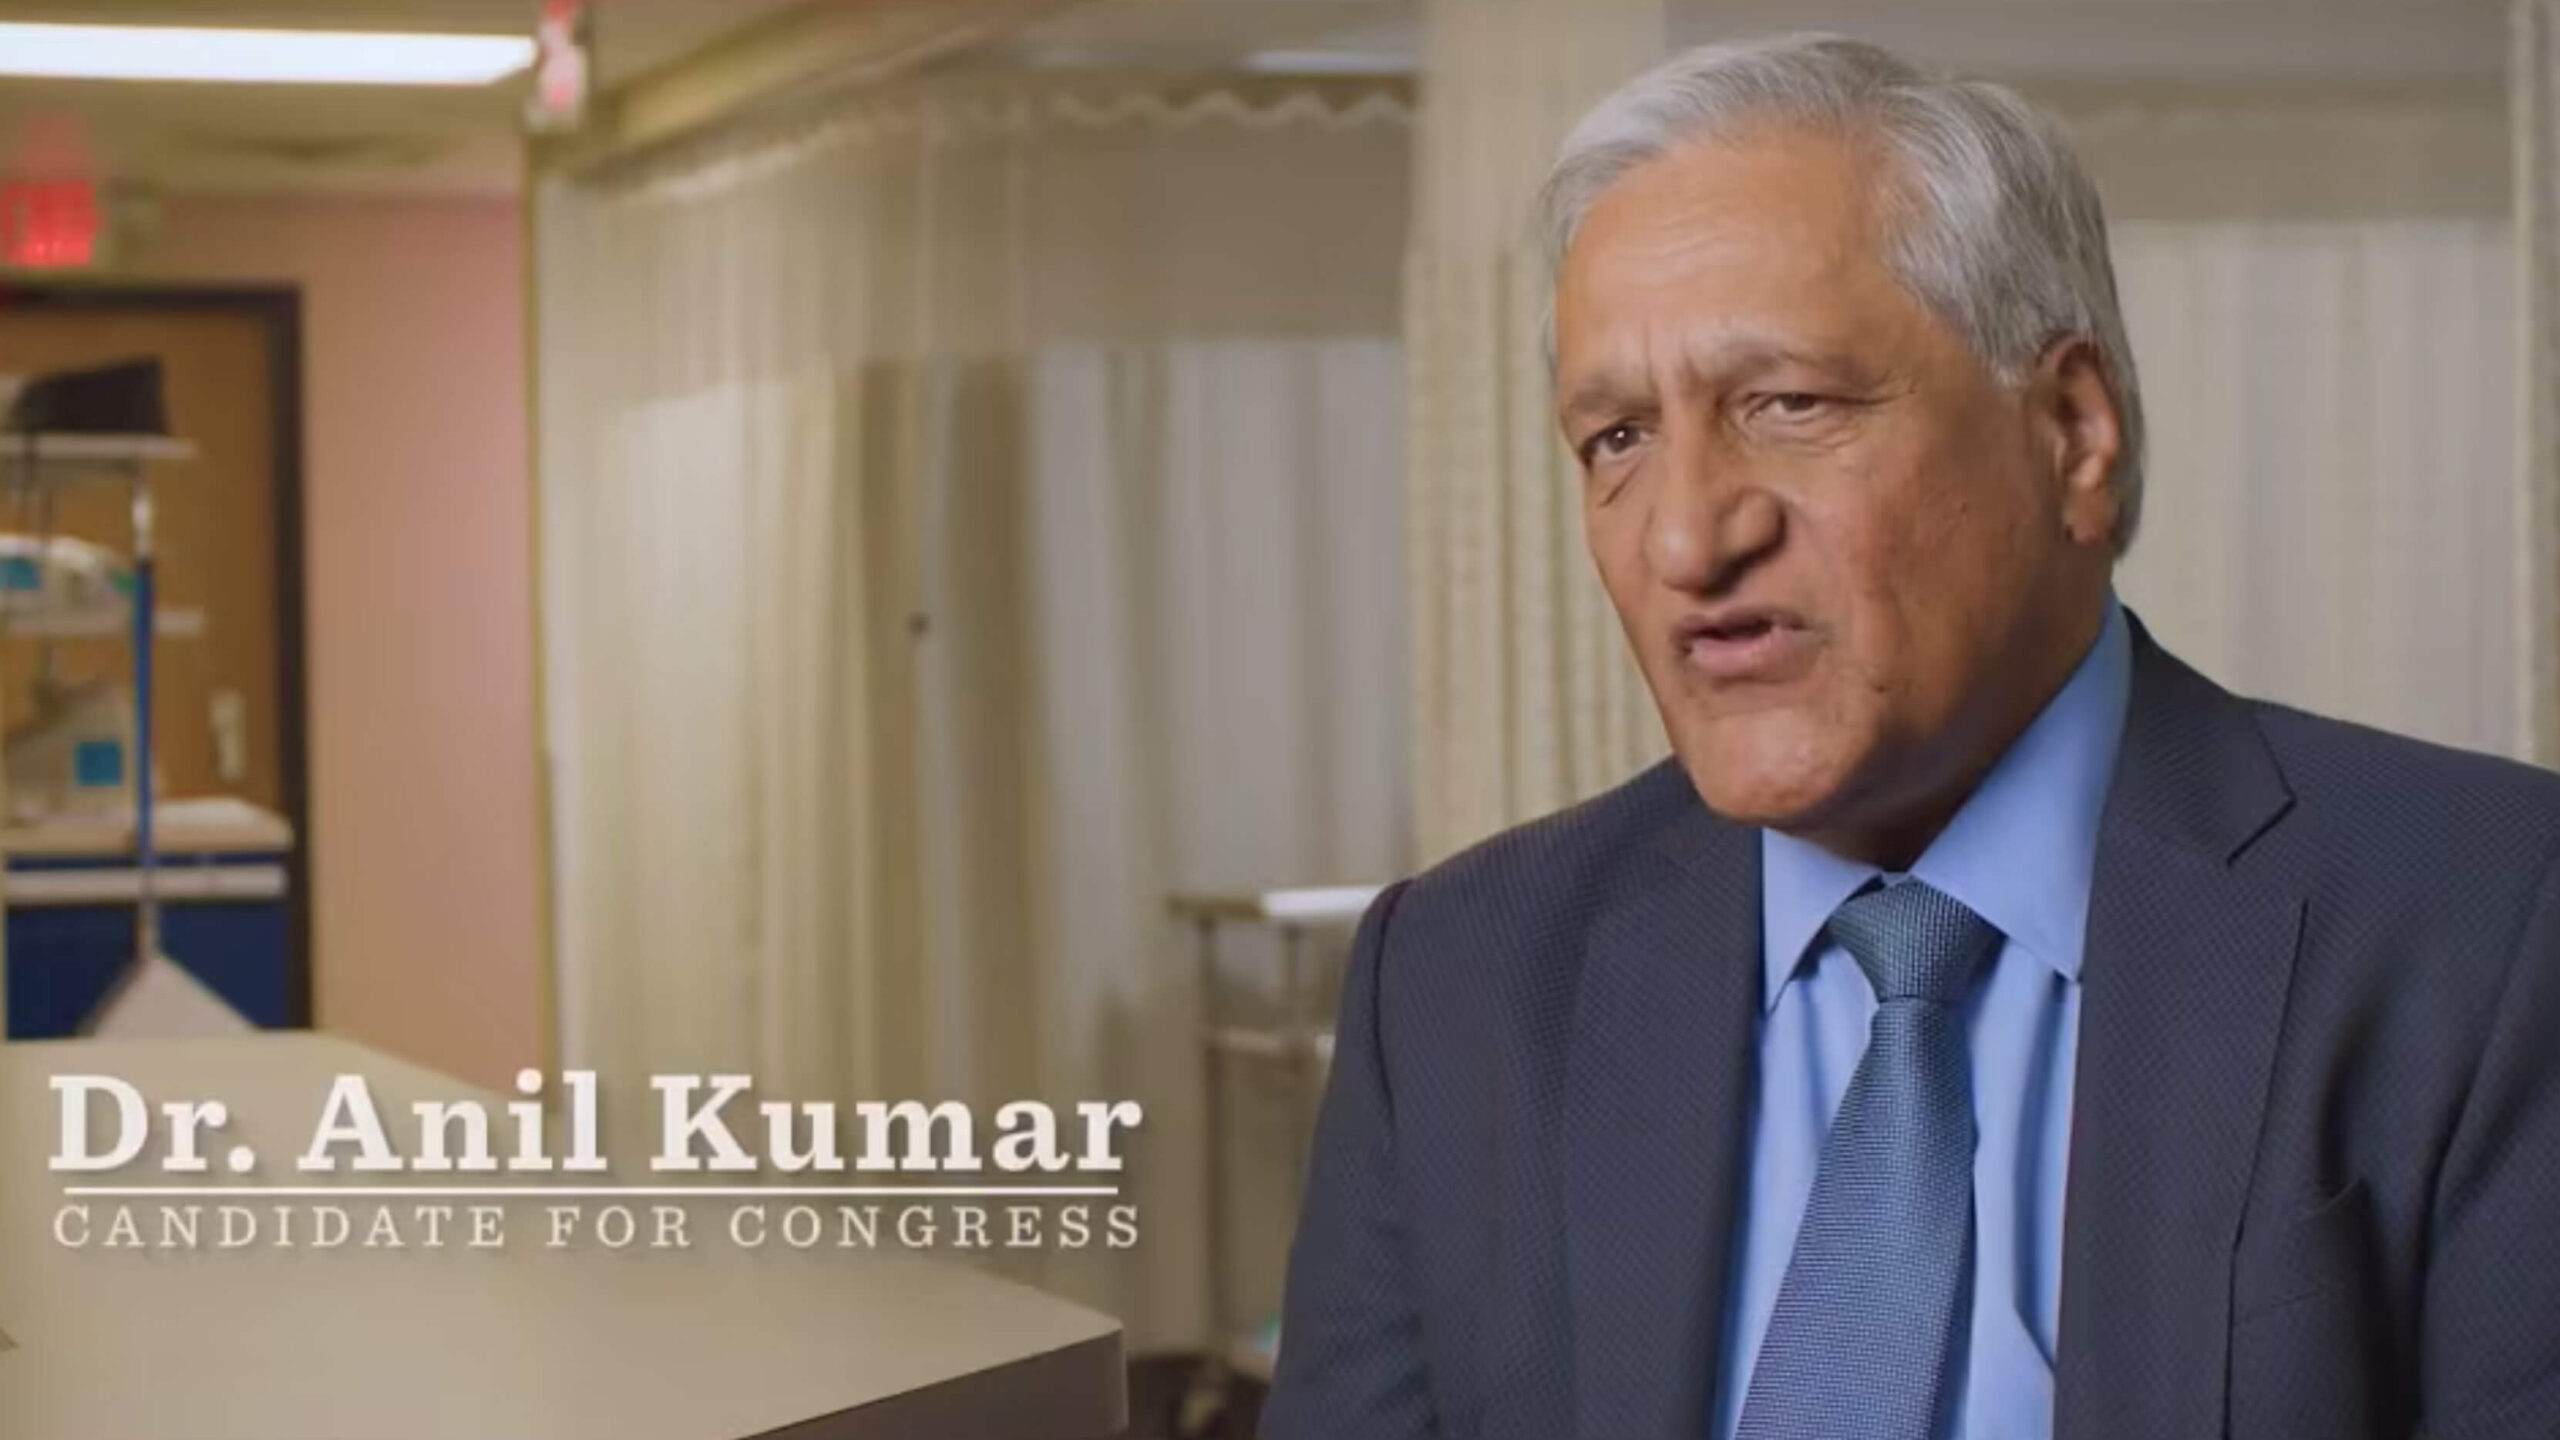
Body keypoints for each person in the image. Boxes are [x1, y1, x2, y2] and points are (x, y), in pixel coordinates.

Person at [1261, 33, 2560, 1440]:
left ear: (2072, 431)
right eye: (1618, 438)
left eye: (1788, 403)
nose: (1688, 539)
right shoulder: (1457, 981)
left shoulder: (2495, 923)